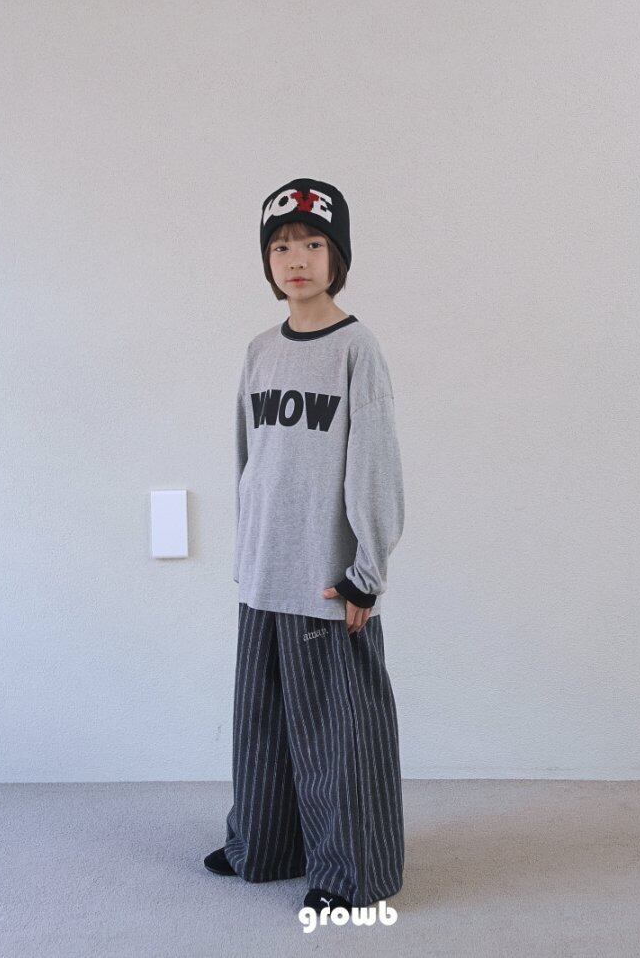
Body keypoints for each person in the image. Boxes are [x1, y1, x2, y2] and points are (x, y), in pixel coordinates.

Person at [203, 177, 405, 914]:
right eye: (282, 246)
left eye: (314, 244)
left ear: (337, 256)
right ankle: (263, 845)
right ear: (267, 260)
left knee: (335, 738)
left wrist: (365, 573)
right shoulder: (260, 351)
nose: (297, 259)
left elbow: (374, 464)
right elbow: (247, 462)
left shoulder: (356, 349)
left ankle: (350, 872)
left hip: (324, 579)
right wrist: (247, 552)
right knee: (259, 727)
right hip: (265, 573)